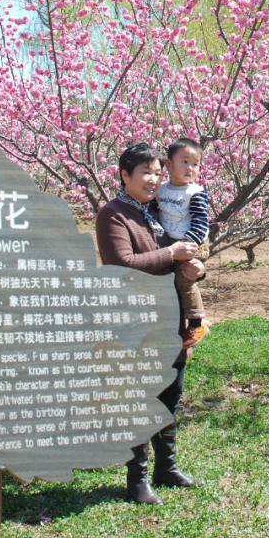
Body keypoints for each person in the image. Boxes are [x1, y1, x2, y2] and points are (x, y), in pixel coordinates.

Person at [95, 142, 205, 505]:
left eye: (159, 172)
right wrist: (171, 253)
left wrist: (195, 268)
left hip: (170, 315)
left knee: (171, 393)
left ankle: (166, 467)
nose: (154, 179)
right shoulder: (114, 214)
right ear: (125, 175)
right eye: (145, 172)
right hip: (137, 320)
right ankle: (137, 477)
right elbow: (122, 264)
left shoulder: (159, 210)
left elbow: (181, 255)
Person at [156, 138, 211, 347]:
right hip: (172, 243)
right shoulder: (161, 190)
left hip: (193, 242)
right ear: (168, 164)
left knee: (184, 279)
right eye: (185, 162)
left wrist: (189, 245)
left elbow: (200, 222)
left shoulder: (195, 192)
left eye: (195, 164)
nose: (190, 168)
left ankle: (197, 323)